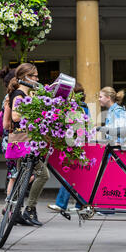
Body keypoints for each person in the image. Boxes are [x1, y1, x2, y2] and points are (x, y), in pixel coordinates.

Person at [8, 63, 50, 227]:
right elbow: (16, 117)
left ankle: (16, 212)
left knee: (22, 176)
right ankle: (29, 209)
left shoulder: (27, 94)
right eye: (34, 76)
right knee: (43, 174)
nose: (37, 79)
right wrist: (33, 109)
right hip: (23, 141)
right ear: (25, 76)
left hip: (23, 141)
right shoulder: (19, 95)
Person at [48, 83, 89, 212]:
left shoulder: (78, 108)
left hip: (74, 144)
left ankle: (62, 204)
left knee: (71, 175)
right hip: (78, 143)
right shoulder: (83, 107)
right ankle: (80, 204)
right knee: (77, 175)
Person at [0, 67, 17, 198]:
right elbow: (6, 124)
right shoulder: (10, 97)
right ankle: (10, 205)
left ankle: (11, 206)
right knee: (14, 176)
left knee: (13, 176)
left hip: (9, 140)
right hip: (11, 140)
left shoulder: (9, 96)